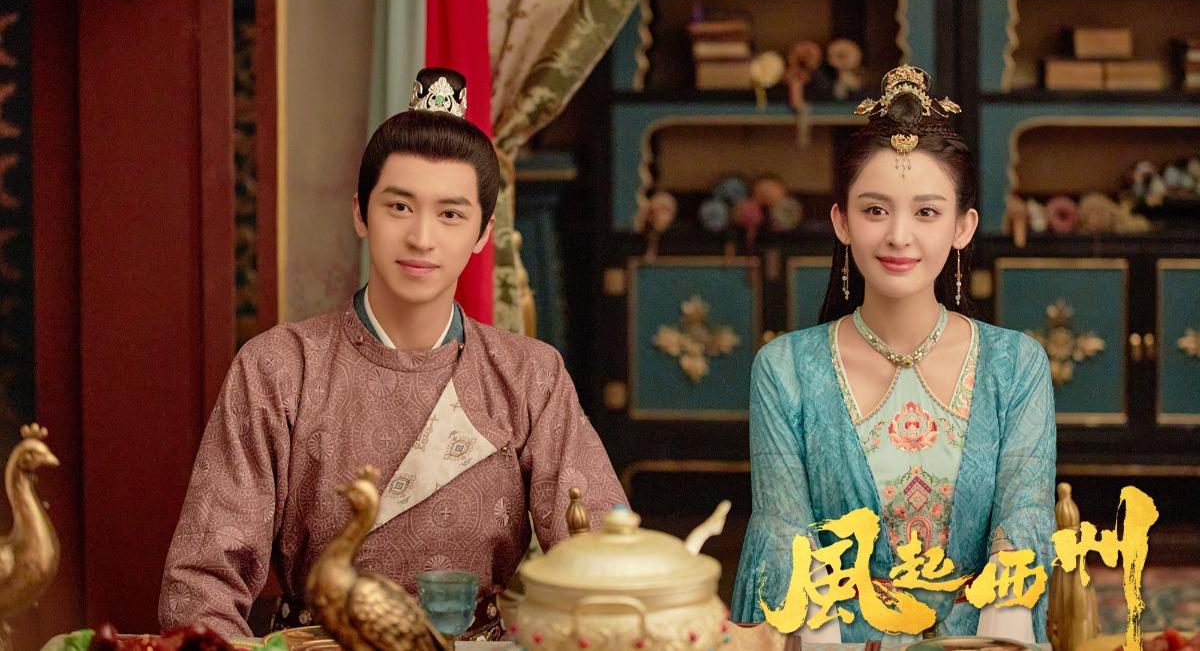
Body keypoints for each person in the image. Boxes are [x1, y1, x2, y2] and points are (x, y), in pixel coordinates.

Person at [159, 68, 627, 639]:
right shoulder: (279, 368)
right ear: (361, 213)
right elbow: (202, 585)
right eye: (399, 207)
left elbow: (604, 557)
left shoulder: (529, 374)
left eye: (450, 214)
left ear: (483, 232)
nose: (421, 237)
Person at [731, 65, 1056, 642]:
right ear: (841, 221)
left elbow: (1024, 518)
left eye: (927, 212)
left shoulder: (1016, 365)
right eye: (875, 210)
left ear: (963, 227)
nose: (899, 236)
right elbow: (785, 535)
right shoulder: (785, 370)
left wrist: (1000, 633)